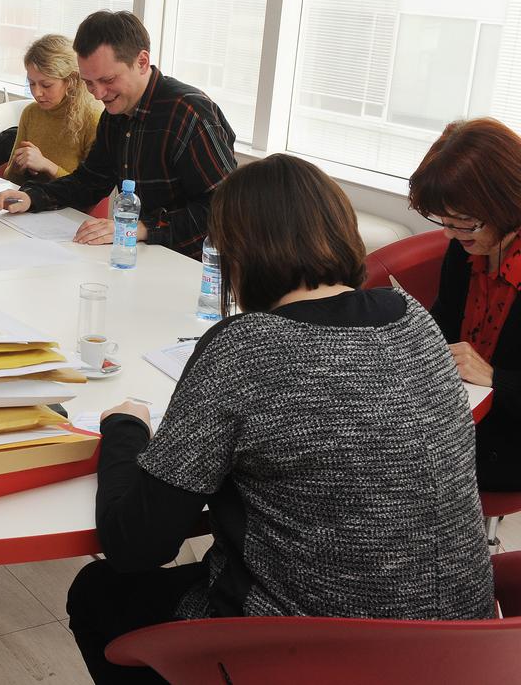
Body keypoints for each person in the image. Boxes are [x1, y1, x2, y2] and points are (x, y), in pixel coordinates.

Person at [67, 153, 493, 684]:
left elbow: (136, 546)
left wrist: (125, 428)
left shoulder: (247, 347)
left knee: (98, 593)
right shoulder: (414, 320)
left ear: (235, 254)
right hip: (463, 651)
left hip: (317, 655)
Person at [0, 10, 237, 260]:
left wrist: (142, 228)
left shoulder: (190, 114)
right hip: (139, 254)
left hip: (195, 265)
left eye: (107, 80)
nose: (98, 94)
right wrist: (32, 197)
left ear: (141, 62)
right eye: (89, 82)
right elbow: (89, 182)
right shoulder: (115, 114)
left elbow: (224, 211)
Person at [409, 117, 521, 491]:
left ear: (507, 204)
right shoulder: (467, 248)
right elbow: (444, 316)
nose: (449, 234)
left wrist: (495, 379)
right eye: (444, 220)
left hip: (506, 436)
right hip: (459, 408)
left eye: (464, 222)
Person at [2, 34, 101, 184]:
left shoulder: (92, 119)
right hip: (29, 196)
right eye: (31, 83)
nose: (37, 93)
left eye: (46, 85)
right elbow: (10, 180)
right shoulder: (31, 113)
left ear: (71, 81)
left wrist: (47, 166)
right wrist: (17, 166)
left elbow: (91, 189)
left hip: (67, 200)